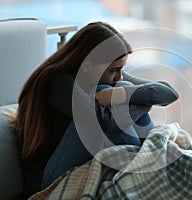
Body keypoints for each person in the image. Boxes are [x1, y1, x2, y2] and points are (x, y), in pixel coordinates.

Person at [8, 21, 179, 198]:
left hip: (75, 159)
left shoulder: (110, 76)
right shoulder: (56, 82)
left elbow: (168, 93)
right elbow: (104, 122)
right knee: (107, 93)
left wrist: (122, 94)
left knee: (124, 88)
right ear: (88, 66)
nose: (119, 75)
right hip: (46, 179)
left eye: (122, 69)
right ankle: (151, 167)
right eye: (114, 70)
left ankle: (152, 161)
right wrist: (140, 101)